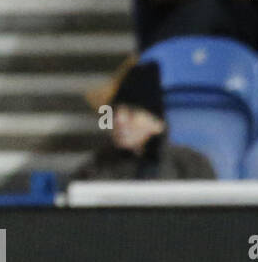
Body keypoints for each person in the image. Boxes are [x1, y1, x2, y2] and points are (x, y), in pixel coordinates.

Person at [69, 61, 215, 181]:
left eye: (131, 113)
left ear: (157, 123)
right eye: (115, 113)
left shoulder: (190, 166)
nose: (119, 120)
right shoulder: (96, 168)